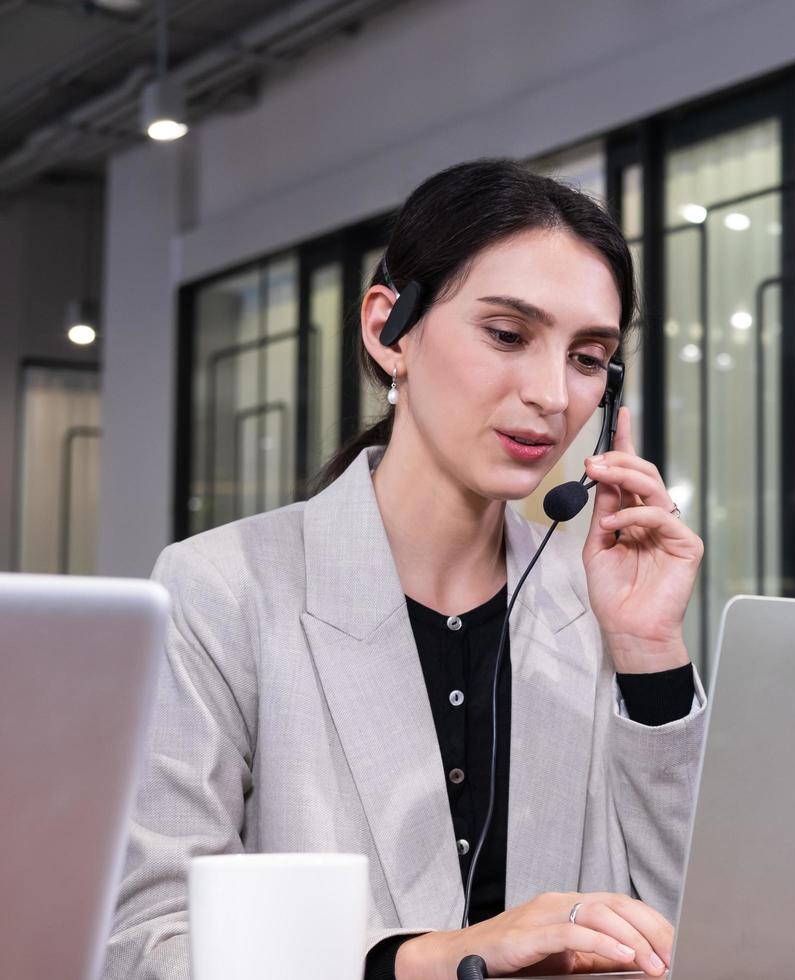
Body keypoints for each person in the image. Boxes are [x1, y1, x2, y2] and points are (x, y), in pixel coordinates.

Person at [105, 160, 707, 980]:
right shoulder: (223, 591)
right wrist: (435, 960)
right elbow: (147, 946)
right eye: (507, 334)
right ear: (391, 329)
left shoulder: (594, 600)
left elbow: (701, 930)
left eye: (588, 357)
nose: (550, 393)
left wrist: (650, 655)